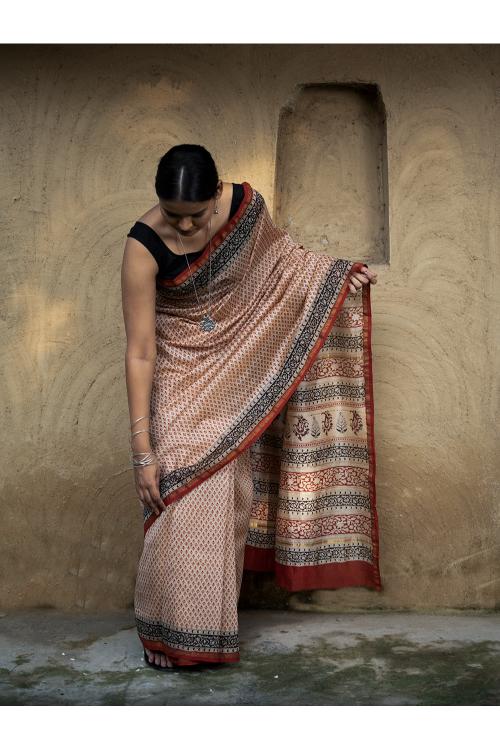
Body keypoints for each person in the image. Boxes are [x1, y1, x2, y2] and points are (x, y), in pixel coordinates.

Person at [121, 144, 379, 671]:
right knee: (182, 494)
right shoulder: (142, 247)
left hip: (237, 368)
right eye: (174, 216)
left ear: (218, 195)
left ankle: (205, 633)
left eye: (196, 215)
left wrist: (332, 279)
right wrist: (142, 448)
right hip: (178, 374)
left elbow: (283, 263)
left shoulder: (244, 210)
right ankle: (163, 631)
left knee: (224, 496)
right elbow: (141, 348)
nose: (186, 228)